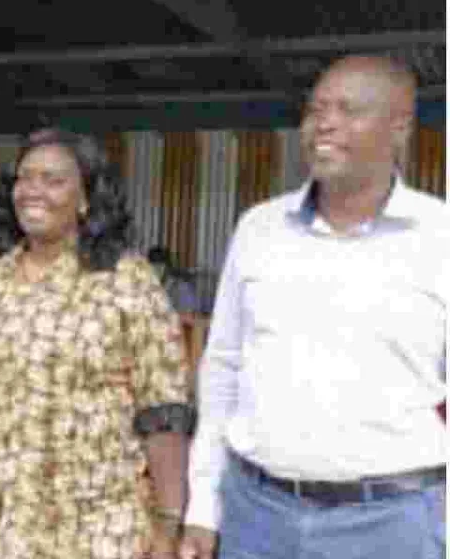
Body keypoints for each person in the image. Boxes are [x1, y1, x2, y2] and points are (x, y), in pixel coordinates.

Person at [180, 56, 447, 559]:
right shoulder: (259, 229)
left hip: (391, 525)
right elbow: (223, 370)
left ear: (399, 127)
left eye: (349, 110)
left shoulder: (439, 236)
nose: (324, 123)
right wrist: (203, 507)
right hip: (257, 516)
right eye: (315, 110)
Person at [0, 128, 193, 559]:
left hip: (97, 529)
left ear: (86, 198)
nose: (33, 191)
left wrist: (169, 522)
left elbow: (162, 409)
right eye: (25, 178)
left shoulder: (126, 282)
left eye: (53, 180)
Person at [146, 246, 201, 315]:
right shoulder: (144, 286)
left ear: (168, 267)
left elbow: (189, 315)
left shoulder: (182, 287)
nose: (156, 270)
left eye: (160, 266)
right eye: (153, 266)